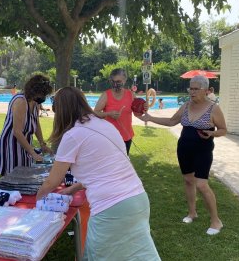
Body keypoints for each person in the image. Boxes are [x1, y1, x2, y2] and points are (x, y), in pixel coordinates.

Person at [36, 87, 160, 261]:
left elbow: (51, 182)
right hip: (138, 200)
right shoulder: (104, 125)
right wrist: (73, 189)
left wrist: (37, 204)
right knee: (140, 256)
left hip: (111, 208)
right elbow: (103, 169)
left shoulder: (73, 135)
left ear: (61, 111)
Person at [139, 75, 227, 235]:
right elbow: (172, 121)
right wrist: (151, 118)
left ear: (206, 90)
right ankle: (192, 213)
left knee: (201, 184)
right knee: (188, 180)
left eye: (195, 89)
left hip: (203, 150)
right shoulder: (186, 106)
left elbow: (223, 130)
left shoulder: (213, 108)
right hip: (184, 148)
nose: (191, 92)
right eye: (190, 88)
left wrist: (211, 134)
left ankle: (216, 221)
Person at [0, 74, 53, 175]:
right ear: (34, 91)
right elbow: (17, 132)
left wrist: (42, 144)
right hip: (11, 144)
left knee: (25, 173)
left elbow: (36, 123)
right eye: (42, 94)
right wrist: (33, 153)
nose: (43, 97)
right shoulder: (20, 101)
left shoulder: (36, 102)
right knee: (13, 175)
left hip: (25, 142)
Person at [94, 68, 149, 154]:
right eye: (113, 81)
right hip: (109, 137)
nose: (115, 84)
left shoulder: (130, 94)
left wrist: (144, 108)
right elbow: (95, 113)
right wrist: (109, 114)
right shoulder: (106, 95)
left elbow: (137, 114)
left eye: (118, 81)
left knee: (123, 163)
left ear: (124, 80)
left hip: (126, 136)